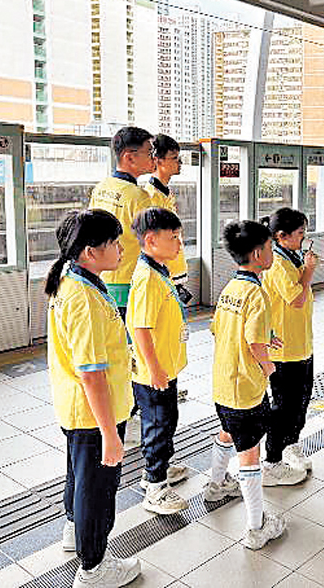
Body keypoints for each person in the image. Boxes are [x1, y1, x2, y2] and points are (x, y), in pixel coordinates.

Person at [45, 209, 141, 588]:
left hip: (76, 408)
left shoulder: (72, 279)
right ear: (90, 251)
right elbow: (91, 372)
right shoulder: (82, 298)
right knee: (97, 491)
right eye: (114, 243)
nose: (121, 249)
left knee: (79, 478)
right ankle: (93, 568)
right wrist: (110, 434)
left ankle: (75, 533)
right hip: (94, 414)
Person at [206, 220, 286, 550]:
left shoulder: (231, 289)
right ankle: (256, 526)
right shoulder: (257, 294)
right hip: (245, 389)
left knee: (228, 432)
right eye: (270, 248)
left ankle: (215, 485)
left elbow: (219, 329)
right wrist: (269, 367)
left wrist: (267, 337)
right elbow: (253, 343)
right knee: (250, 453)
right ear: (257, 254)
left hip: (223, 384)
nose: (272, 253)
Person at [127, 208, 190, 516]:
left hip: (165, 366)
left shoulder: (159, 270)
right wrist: (153, 369)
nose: (180, 243)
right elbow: (140, 328)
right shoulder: (147, 279)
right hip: (154, 372)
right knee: (158, 425)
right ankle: (154, 487)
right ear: (151, 240)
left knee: (167, 421)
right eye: (174, 237)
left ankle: (159, 467)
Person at [260, 208, 316, 485]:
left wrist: (304, 268)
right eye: (300, 234)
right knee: (283, 406)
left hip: (301, 343)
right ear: (282, 236)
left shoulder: (291, 257)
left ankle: (291, 443)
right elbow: (296, 298)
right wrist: (309, 270)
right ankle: (272, 460)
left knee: (300, 400)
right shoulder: (278, 264)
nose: (304, 239)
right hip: (284, 350)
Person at [88, 126, 155, 320]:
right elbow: (151, 243)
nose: (154, 158)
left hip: (100, 275)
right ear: (130, 157)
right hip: (129, 279)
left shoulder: (100, 188)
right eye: (149, 153)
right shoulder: (139, 196)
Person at [143, 134, 192, 303]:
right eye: (174, 158)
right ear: (158, 160)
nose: (180, 162)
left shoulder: (166, 192)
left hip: (174, 270)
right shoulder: (150, 197)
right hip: (164, 273)